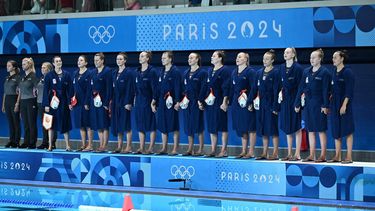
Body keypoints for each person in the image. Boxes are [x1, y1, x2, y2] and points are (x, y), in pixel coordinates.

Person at [295, 49, 330, 163]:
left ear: (319, 59)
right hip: (308, 104)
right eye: (310, 58)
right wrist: (297, 103)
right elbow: (300, 88)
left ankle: (323, 155)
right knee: (310, 130)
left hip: (319, 104)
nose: (311, 60)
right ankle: (311, 154)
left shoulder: (325, 72)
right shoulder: (306, 71)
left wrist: (325, 105)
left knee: (321, 129)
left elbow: (326, 90)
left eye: (314, 57)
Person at [152, 51, 182, 156]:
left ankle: (175, 148)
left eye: (164, 58)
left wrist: (178, 101)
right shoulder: (161, 71)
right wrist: (154, 100)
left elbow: (178, 87)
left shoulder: (175, 71)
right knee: (162, 125)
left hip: (172, 102)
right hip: (161, 101)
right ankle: (164, 147)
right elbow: (158, 88)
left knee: (173, 125)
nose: (162, 59)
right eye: (162, 58)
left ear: (170, 59)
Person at [328, 50, 355, 164]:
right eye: (333, 57)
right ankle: (337, 155)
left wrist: (344, 105)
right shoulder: (334, 71)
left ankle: (349, 156)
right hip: (334, 104)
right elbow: (333, 89)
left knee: (347, 130)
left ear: (341, 59)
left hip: (344, 104)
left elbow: (349, 91)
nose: (333, 59)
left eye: (335, 57)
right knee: (336, 130)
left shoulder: (347, 72)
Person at [42, 56, 73, 151]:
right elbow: (45, 90)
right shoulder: (49, 75)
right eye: (57, 61)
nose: (59, 62)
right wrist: (46, 104)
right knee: (50, 124)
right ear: (53, 64)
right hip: (52, 103)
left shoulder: (67, 75)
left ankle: (68, 145)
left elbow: (70, 90)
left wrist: (70, 103)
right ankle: (50, 145)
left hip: (63, 102)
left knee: (65, 123)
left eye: (60, 61)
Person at [254, 50, 281, 160]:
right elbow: (256, 89)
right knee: (263, 129)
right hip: (261, 104)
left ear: (272, 61)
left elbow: (276, 90)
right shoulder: (259, 72)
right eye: (264, 58)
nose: (264, 61)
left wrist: (275, 106)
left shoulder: (276, 72)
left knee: (273, 128)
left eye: (267, 59)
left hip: (271, 103)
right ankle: (265, 152)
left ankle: (275, 152)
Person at [204, 50, 231, 158]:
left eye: (214, 56)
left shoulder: (225, 70)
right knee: (212, 126)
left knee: (222, 126)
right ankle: (213, 149)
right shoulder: (210, 70)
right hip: (210, 101)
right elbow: (207, 86)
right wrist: (203, 100)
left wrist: (225, 102)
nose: (211, 57)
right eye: (211, 56)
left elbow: (226, 87)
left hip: (220, 101)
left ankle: (224, 150)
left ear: (220, 58)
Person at [279, 48, 303, 161]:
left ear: (293, 54)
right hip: (285, 100)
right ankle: (289, 153)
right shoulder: (282, 67)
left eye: (288, 52)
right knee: (287, 127)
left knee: (296, 126)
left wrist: (297, 102)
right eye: (284, 53)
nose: (285, 54)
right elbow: (281, 84)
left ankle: (297, 153)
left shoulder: (298, 68)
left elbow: (300, 86)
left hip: (295, 99)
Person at [231, 52, 257, 159]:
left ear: (246, 59)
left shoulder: (250, 72)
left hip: (247, 102)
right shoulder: (234, 72)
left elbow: (254, 88)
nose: (237, 58)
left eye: (240, 57)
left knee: (250, 127)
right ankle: (243, 150)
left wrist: (250, 102)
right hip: (237, 102)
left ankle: (251, 151)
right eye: (237, 56)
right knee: (241, 127)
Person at [86, 52, 112, 152]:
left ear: (102, 60)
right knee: (98, 124)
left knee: (104, 124)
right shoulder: (92, 72)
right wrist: (88, 102)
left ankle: (104, 145)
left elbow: (109, 88)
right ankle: (100, 144)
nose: (95, 62)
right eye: (94, 60)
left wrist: (106, 103)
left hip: (103, 102)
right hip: (94, 102)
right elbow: (90, 88)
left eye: (97, 60)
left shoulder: (107, 71)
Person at [181, 53, 206, 156]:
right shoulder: (186, 73)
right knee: (188, 125)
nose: (189, 59)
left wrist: (201, 101)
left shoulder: (202, 73)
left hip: (197, 101)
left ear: (197, 59)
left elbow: (204, 87)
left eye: (191, 58)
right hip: (188, 102)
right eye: (188, 58)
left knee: (198, 125)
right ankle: (190, 148)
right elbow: (183, 88)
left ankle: (200, 148)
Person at [111, 52, 135, 153]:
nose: (118, 61)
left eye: (121, 59)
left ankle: (128, 146)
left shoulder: (129, 73)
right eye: (117, 59)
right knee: (118, 124)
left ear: (125, 60)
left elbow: (131, 89)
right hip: (116, 102)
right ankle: (119, 146)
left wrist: (129, 102)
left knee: (126, 125)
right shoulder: (114, 73)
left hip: (125, 102)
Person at [134, 51, 157, 154]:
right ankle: (141, 147)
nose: (140, 58)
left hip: (148, 100)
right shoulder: (137, 71)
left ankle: (151, 147)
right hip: (139, 100)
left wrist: (154, 100)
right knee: (140, 124)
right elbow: (135, 88)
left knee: (151, 124)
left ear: (147, 58)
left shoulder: (152, 71)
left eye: (142, 56)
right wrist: (135, 98)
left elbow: (155, 88)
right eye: (139, 56)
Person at [72, 55, 93, 152]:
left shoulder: (89, 74)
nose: (79, 62)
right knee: (81, 125)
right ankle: (83, 144)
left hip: (85, 103)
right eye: (78, 60)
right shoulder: (75, 73)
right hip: (77, 103)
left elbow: (89, 90)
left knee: (88, 124)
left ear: (86, 63)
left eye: (81, 60)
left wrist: (87, 102)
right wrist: (71, 101)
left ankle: (90, 145)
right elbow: (73, 89)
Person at [18, 58, 39, 149]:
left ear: (29, 65)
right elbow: (20, 91)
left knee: (31, 123)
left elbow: (38, 88)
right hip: (23, 101)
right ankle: (26, 142)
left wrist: (36, 96)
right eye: (22, 64)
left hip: (31, 101)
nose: (23, 65)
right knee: (25, 123)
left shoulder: (33, 76)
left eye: (24, 64)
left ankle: (32, 142)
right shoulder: (23, 77)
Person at [36, 62, 57, 149]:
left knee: (50, 124)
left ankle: (51, 143)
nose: (42, 69)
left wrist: (48, 103)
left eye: (44, 67)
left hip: (48, 104)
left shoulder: (51, 78)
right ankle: (45, 142)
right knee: (44, 124)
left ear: (48, 69)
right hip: (40, 103)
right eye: (41, 67)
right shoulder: (41, 78)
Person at [2, 60, 21, 148]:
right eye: (7, 65)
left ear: (14, 67)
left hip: (14, 99)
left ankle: (16, 141)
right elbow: (5, 92)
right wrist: (3, 104)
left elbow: (20, 92)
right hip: (7, 101)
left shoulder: (18, 78)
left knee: (15, 121)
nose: (7, 67)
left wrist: (17, 103)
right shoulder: (6, 78)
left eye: (9, 66)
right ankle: (11, 140)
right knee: (10, 122)